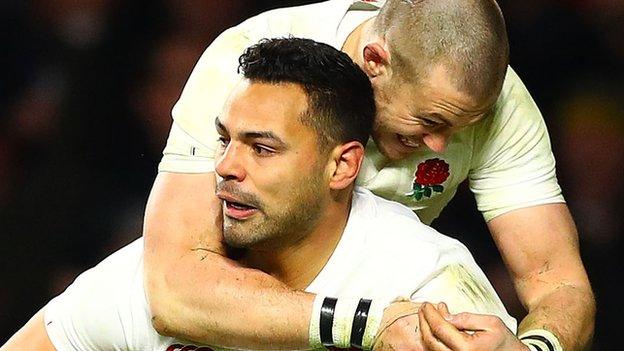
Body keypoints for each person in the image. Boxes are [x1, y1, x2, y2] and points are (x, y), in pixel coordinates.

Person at [1, 38, 517, 351]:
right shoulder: (160, 275)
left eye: (262, 149)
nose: (225, 167)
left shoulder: (425, 279)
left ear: (342, 165)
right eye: (226, 140)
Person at [144, 1, 594, 351]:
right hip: (250, 302)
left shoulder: (498, 103)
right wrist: (370, 323)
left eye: (462, 127)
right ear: (374, 61)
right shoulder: (251, 69)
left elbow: (556, 278)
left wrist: (534, 346)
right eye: (431, 121)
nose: (443, 144)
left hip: (387, 303)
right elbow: (175, 291)